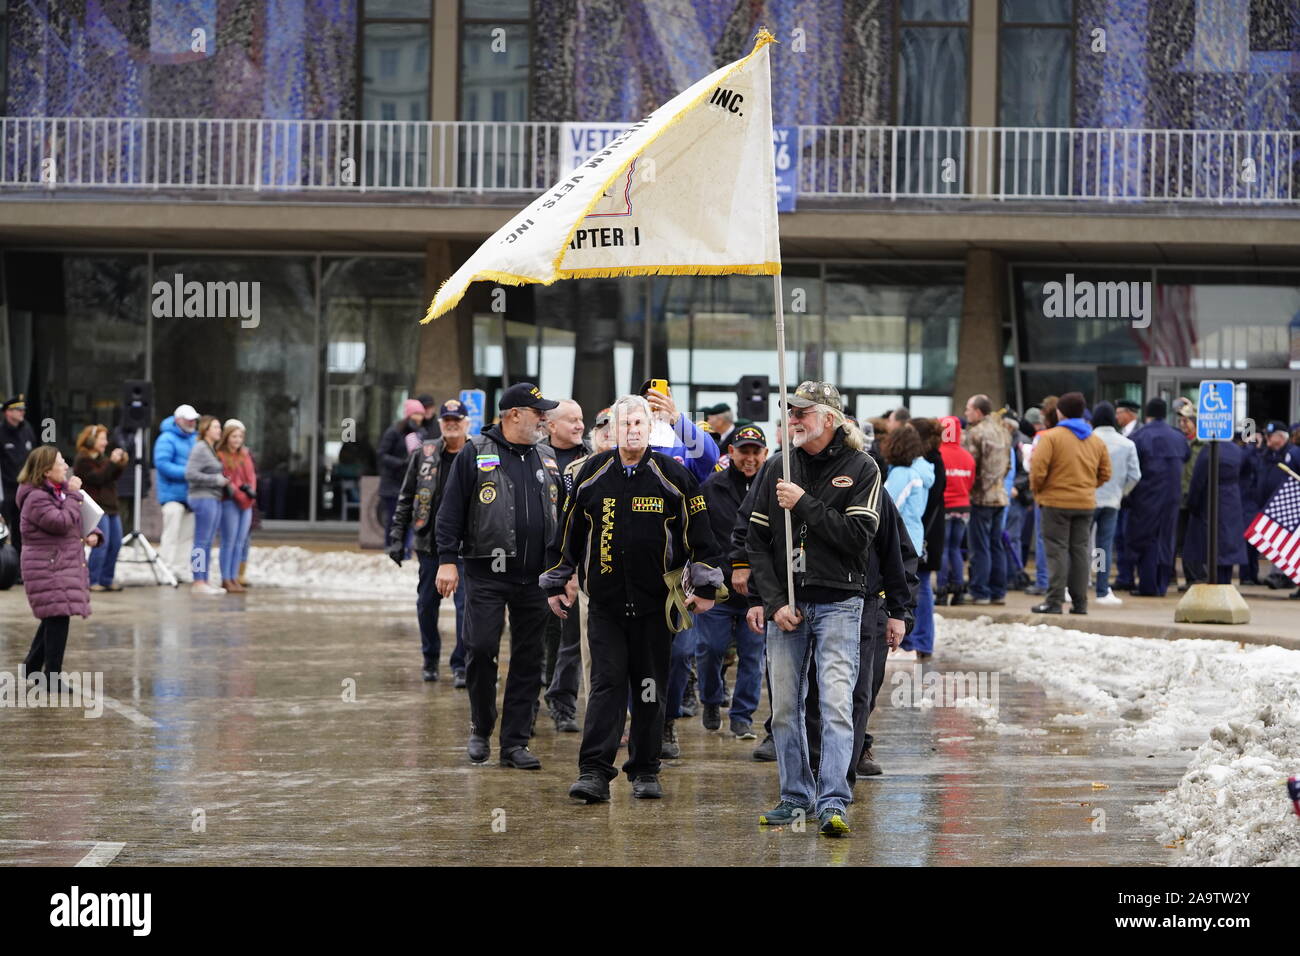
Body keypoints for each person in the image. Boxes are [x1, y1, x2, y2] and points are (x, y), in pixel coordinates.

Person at [542, 394, 722, 803]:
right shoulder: (590, 474)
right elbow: (565, 536)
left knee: (648, 687)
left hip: (655, 605)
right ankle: (593, 772)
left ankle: (645, 770)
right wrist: (558, 581)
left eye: (640, 424)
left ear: (650, 428)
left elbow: (701, 536)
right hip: (604, 604)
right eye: (625, 425)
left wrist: (707, 587)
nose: (633, 431)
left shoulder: (674, 475)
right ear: (613, 430)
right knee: (606, 685)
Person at [747, 381, 882, 838]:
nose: (794, 418)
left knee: (836, 705)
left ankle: (834, 800)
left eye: (803, 412)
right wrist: (775, 601)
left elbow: (857, 538)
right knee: (784, 708)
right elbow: (756, 543)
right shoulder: (776, 467)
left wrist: (803, 503)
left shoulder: (863, 468)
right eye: (791, 411)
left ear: (830, 418)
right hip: (788, 605)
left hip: (841, 603)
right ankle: (794, 796)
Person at [436, 383, 560, 770]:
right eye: (538, 412)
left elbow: (565, 515)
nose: (544, 418)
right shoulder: (476, 452)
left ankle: (515, 743)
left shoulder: (547, 456)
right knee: (481, 648)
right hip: (487, 572)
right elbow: (450, 510)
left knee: (528, 659)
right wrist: (447, 559)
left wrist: (564, 570)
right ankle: (480, 726)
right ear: (513, 415)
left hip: (536, 577)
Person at [694, 424, 768, 740]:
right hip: (719, 588)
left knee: (753, 656)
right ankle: (711, 699)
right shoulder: (712, 487)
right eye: (744, 451)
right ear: (731, 453)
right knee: (709, 649)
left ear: (765, 454)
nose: (750, 458)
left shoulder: (775, 489)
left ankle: (742, 716)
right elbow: (700, 537)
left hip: (759, 590)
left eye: (756, 452)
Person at [390, 400, 469, 683]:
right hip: (429, 544)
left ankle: (461, 664)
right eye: (446, 420)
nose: (451, 424)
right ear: (439, 424)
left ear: (466, 423)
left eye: (457, 420)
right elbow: (406, 496)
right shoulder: (425, 453)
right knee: (426, 604)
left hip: (466, 548)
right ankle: (430, 658)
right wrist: (397, 536)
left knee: (466, 607)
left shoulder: (478, 453)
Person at [17, 446, 103, 682]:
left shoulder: (58, 491)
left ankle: (32, 667)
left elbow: (75, 517)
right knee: (58, 617)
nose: (66, 466)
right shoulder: (35, 497)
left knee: (54, 615)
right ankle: (51, 678)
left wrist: (92, 531)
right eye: (61, 462)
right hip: (47, 565)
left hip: (60, 563)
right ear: (46, 471)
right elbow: (60, 521)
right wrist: (75, 494)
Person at [1028, 392, 1111, 615]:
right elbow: (1106, 472)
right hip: (1085, 503)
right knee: (1080, 553)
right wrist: (1087, 487)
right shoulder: (1095, 440)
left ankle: (1054, 601)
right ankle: (1080, 603)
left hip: (1055, 503)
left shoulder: (1052, 437)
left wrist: (1039, 492)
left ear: (1059, 412)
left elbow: (1038, 470)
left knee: (1057, 551)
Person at [540, 399, 589, 730]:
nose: (580, 425)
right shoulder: (534, 457)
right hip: (538, 559)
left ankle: (562, 703)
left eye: (581, 419)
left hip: (574, 560)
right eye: (572, 420)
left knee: (570, 636)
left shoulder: (591, 460)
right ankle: (530, 703)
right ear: (551, 426)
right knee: (539, 636)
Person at [1124, 399, 1190, 597]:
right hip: (1172, 497)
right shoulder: (1178, 437)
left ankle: (1148, 585)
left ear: (1147, 414)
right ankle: (1162, 584)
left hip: (1147, 495)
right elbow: (1186, 456)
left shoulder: (1140, 436)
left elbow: (1132, 466)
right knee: (1167, 539)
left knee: (1146, 540)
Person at [882, 423, 936, 654]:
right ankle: (918, 641)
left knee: (903, 596)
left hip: (901, 542)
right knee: (918, 592)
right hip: (915, 535)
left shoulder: (901, 474)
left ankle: (907, 642)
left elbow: (886, 507)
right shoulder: (920, 472)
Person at [1089, 402, 1140, 606]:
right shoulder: (1127, 444)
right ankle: (1102, 589)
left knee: (1079, 544)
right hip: (1112, 501)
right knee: (1104, 546)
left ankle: (1074, 585)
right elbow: (1135, 475)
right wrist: (1121, 492)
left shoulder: (1087, 440)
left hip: (1088, 499)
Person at [962, 394, 1011, 606]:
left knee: (979, 547)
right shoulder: (1003, 430)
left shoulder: (975, 433)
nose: (965, 413)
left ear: (978, 412)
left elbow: (970, 465)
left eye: (968, 409)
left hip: (981, 496)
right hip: (1000, 495)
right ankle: (998, 590)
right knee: (996, 544)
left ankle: (980, 591)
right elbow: (1008, 465)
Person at [1184, 436, 1249, 586]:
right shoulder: (1237, 451)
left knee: (1214, 547)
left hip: (1211, 499)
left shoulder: (1208, 451)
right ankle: (1225, 582)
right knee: (1229, 546)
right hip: (1233, 499)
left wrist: (1192, 504)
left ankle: (1216, 584)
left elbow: (1198, 481)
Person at [73, 425, 128, 592]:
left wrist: (119, 463)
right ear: (91, 440)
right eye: (102, 439)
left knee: (115, 543)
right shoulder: (83, 460)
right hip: (97, 506)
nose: (105, 442)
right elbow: (97, 477)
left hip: (111, 506)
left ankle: (106, 578)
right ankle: (92, 579)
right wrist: (111, 463)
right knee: (101, 544)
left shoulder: (102, 458)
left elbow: (111, 476)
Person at [639, 380, 720, 483]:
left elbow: (710, 458)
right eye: (648, 399)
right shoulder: (628, 441)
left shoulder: (684, 442)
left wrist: (676, 418)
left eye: (662, 398)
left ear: (670, 402)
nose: (654, 404)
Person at [185, 415, 230, 596]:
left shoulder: (211, 449)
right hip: (202, 497)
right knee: (200, 542)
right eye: (216, 427)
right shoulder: (200, 448)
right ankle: (198, 580)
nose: (219, 431)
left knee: (208, 542)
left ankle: (205, 579)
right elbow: (190, 473)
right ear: (206, 430)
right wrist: (215, 479)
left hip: (213, 497)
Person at [154, 404, 199, 582]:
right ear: (178, 420)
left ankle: (180, 569)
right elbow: (163, 465)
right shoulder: (166, 438)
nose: (192, 422)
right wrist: (189, 472)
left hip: (191, 496)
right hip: (172, 496)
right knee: (171, 535)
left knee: (186, 536)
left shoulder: (196, 438)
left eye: (194, 419)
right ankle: (165, 570)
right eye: (188, 419)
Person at [378, 399, 427, 546]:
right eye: (416, 414)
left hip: (412, 484)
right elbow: (382, 454)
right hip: (392, 484)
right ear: (408, 415)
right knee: (394, 519)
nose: (418, 418)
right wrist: (401, 463)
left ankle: (406, 550)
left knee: (409, 519)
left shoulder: (421, 433)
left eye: (421, 414)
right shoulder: (394, 432)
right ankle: (391, 548)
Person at [936, 414, 974, 605]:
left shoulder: (938, 454)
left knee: (942, 549)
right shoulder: (967, 456)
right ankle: (958, 592)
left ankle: (941, 592)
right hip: (963, 507)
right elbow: (970, 482)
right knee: (956, 549)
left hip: (944, 507)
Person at [216, 420, 256, 594]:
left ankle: (234, 578)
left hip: (246, 503)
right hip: (229, 501)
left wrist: (250, 495)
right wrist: (239, 495)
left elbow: (251, 478)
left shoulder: (245, 455)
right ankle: (225, 578)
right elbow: (227, 480)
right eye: (234, 436)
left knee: (240, 541)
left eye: (240, 436)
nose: (237, 440)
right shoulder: (220, 455)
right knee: (227, 541)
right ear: (227, 436)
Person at [0, 395, 37, 570]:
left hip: (25, 491)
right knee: (2, 530)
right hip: (5, 491)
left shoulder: (27, 429)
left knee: (22, 532)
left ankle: (19, 570)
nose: (22, 412)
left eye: (23, 409)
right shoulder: (1, 432)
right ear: (8, 412)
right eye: (18, 409)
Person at [1111, 399, 1144, 590]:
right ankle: (1124, 576)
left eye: (1119, 412)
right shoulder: (1121, 434)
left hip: (1131, 497)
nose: (1116, 417)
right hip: (1119, 497)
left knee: (1128, 537)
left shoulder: (1139, 433)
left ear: (1130, 413)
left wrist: (1125, 492)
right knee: (1119, 538)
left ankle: (1128, 575)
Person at [1176, 408, 1207, 589]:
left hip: (1197, 499)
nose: (1183, 426)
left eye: (1187, 422)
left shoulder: (1203, 445)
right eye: (1181, 422)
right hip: (1181, 497)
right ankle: (1190, 577)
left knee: (1196, 539)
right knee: (1182, 541)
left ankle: (1198, 576)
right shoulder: (1181, 443)